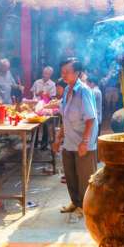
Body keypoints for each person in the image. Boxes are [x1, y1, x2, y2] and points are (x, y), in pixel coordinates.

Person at [54, 59, 99, 214]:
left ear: (77, 73)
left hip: (83, 141)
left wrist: (85, 142)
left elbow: (90, 119)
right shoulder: (67, 90)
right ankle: (75, 202)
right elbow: (65, 117)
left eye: (67, 72)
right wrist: (58, 138)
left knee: (85, 177)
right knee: (71, 175)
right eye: (62, 72)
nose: (64, 75)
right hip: (69, 141)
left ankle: (85, 207)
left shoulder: (84, 91)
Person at [31, 66, 56, 150]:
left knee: (46, 125)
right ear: (42, 73)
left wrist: (47, 95)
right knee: (34, 124)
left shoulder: (52, 84)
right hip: (36, 107)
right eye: (45, 73)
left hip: (46, 108)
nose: (46, 75)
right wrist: (38, 93)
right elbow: (33, 94)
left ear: (51, 75)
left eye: (48, 74)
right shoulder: (37, 82)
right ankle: (34, 144)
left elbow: (53, 98)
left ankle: (44, 144)